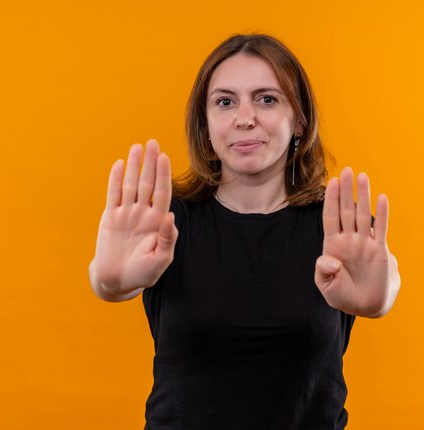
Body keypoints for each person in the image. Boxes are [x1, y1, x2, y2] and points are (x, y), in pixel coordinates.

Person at [88, 33, 400, 430]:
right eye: (225, 101)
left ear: (299, 118)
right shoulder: (163, 223)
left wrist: (379, 299)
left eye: (267, 98)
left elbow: (385, 282)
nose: (244, 117)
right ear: (206, 122)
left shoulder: (339, 227)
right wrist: (107, 280)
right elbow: (107, 279)